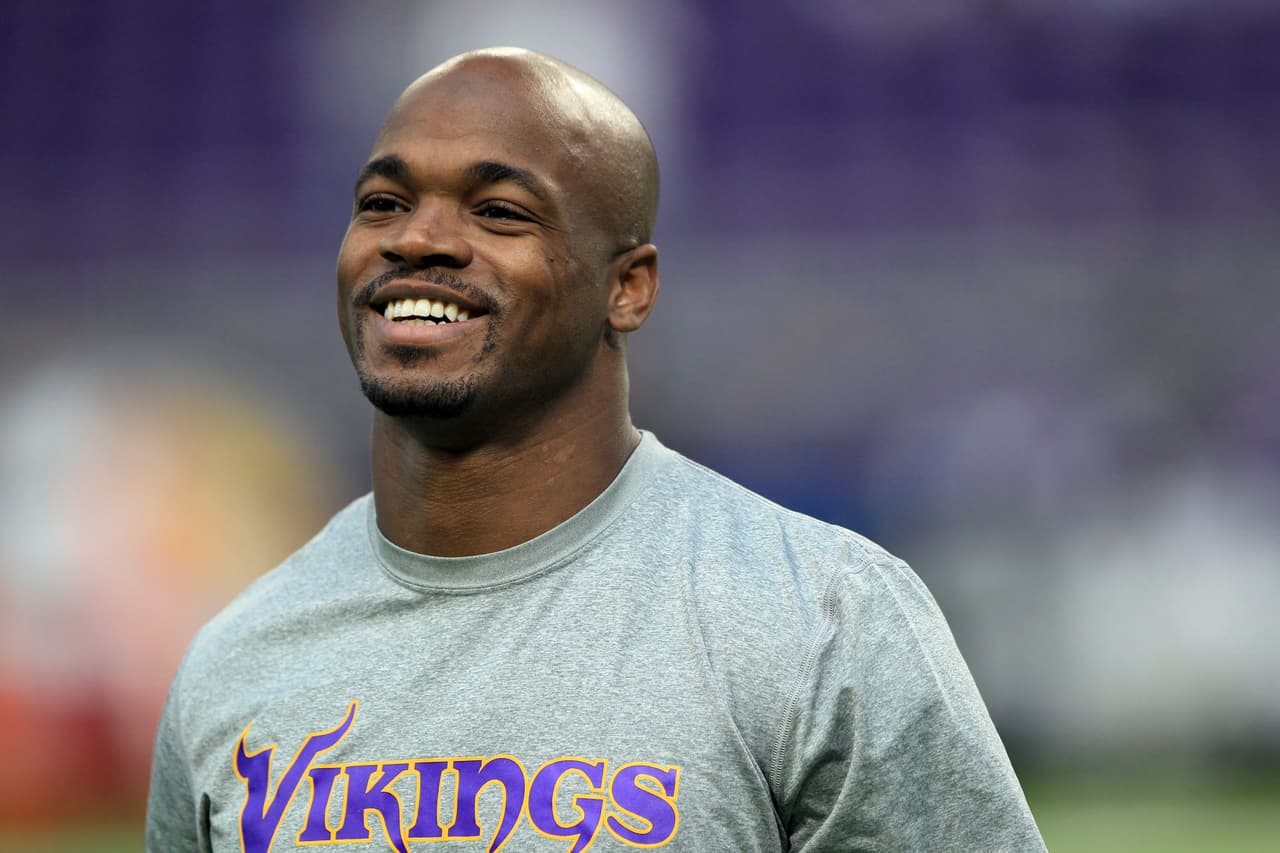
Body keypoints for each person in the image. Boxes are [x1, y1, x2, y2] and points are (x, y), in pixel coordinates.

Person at [146, 47, 1046, 852]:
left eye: (499, 212)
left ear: (628, 288)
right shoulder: (239, 661)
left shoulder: (821, 618)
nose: (416, 239)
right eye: (383, 202)